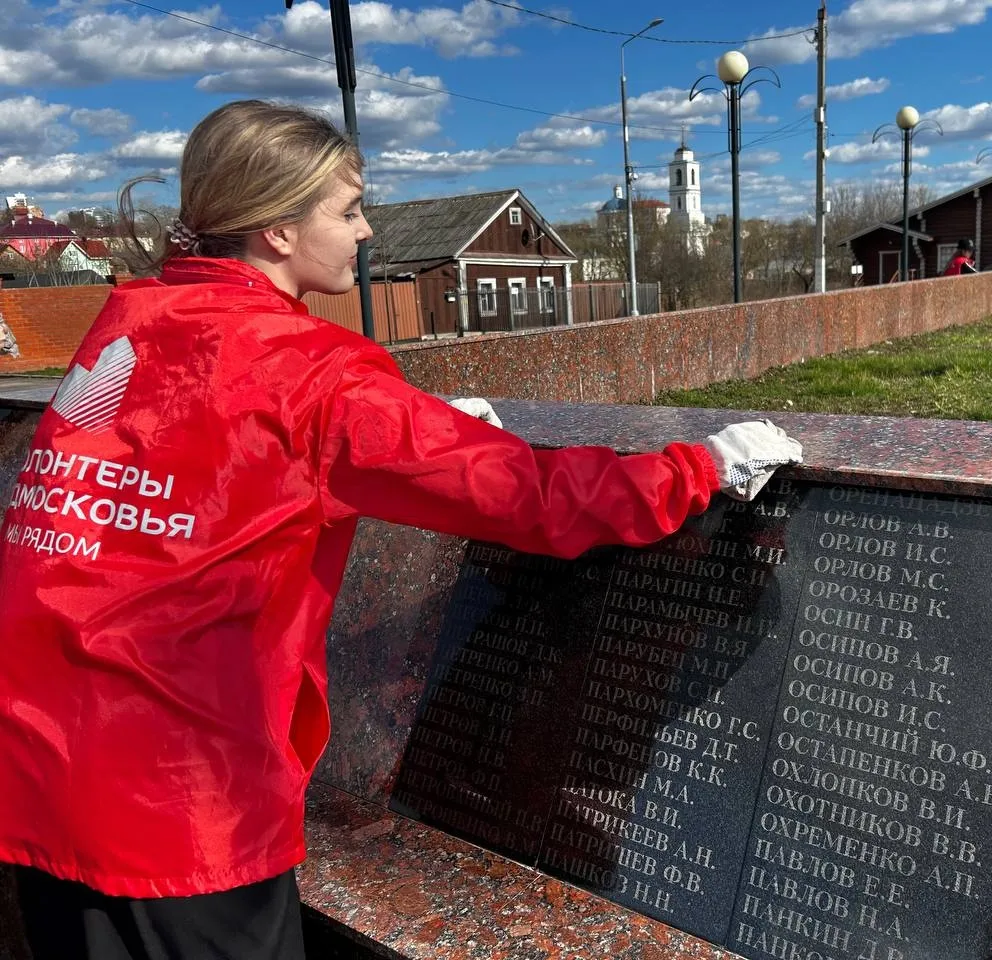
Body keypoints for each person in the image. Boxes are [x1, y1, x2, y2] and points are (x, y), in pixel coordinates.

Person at [0, 100, 802, 960]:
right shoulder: (311, 373)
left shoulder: (135, 320)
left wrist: (410, 426)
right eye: (345, 210)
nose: (365, 229)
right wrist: (700, 470)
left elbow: (196, 456)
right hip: (180, 801)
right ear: (276, 229)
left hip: (39, 767)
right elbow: (526, 496)